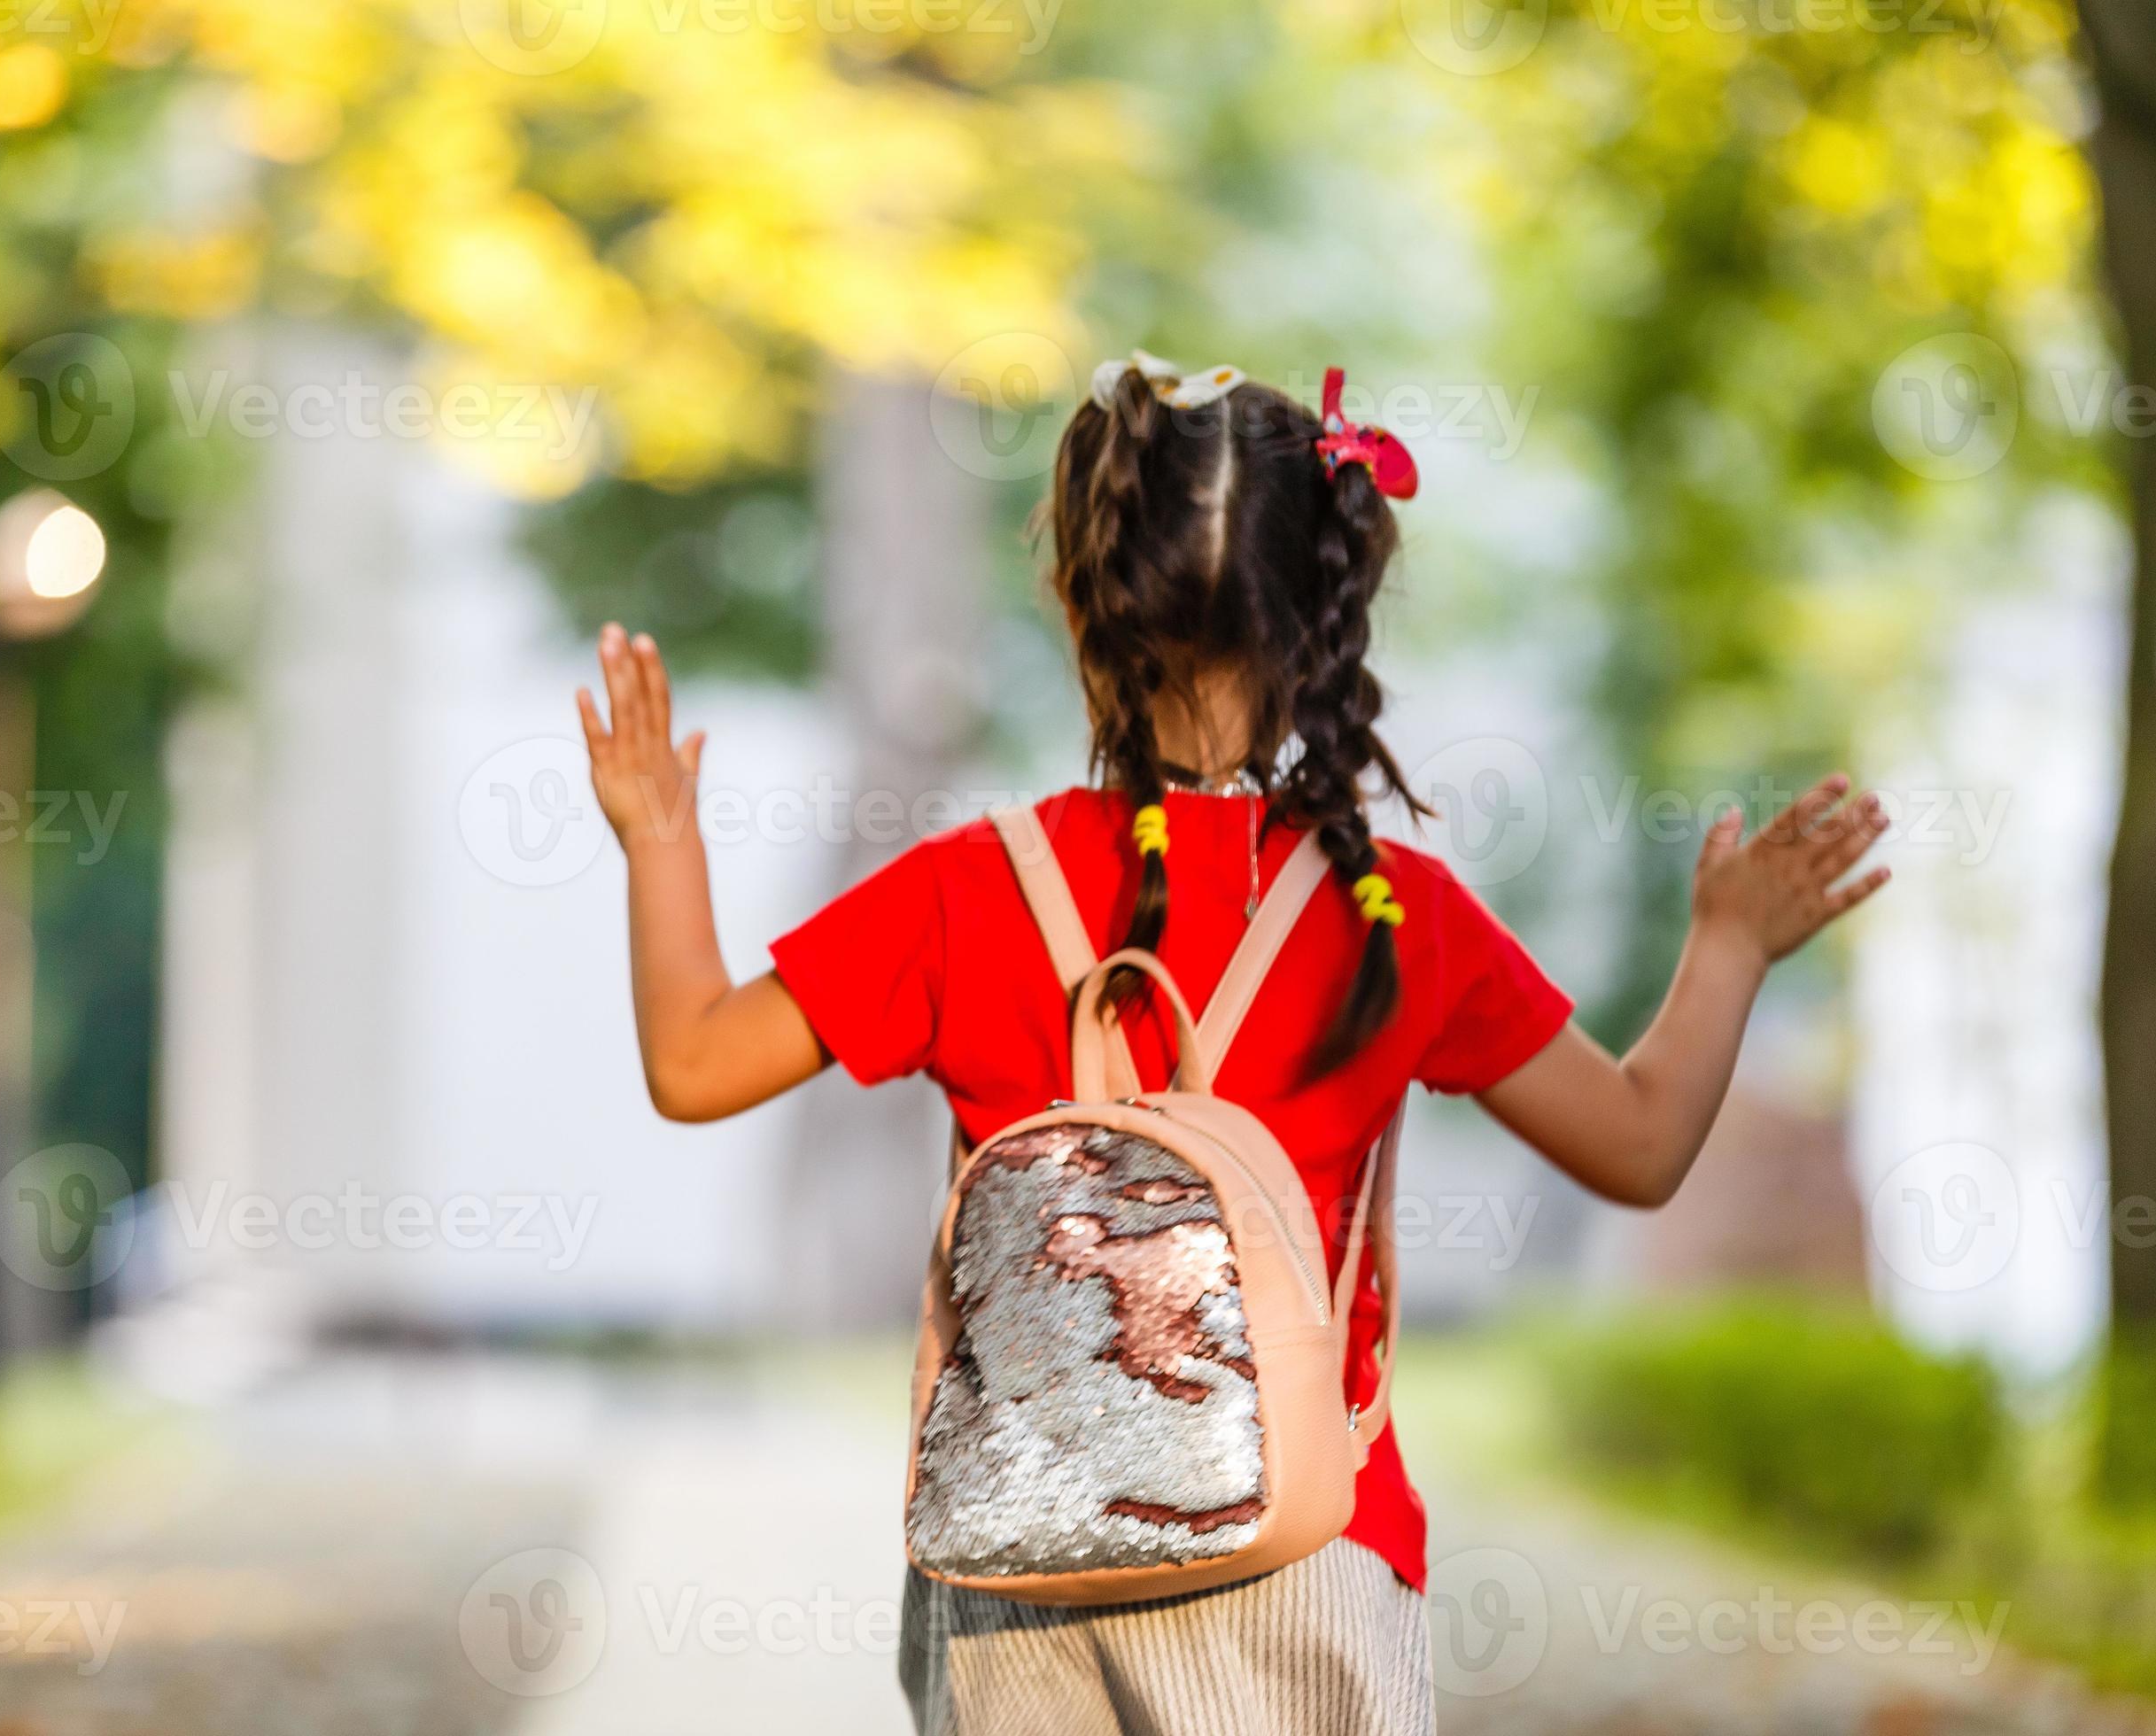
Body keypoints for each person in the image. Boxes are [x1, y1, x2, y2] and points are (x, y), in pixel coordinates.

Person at [577, 353, 1889, 1734]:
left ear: (1082, 602)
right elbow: (1640, 1143)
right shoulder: (1394, 915)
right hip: (1308, 1559)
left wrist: (661, 839)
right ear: (1323, 615)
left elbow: (695, 1065)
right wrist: (1729, 948)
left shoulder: (968, 891)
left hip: (1025, 1562)